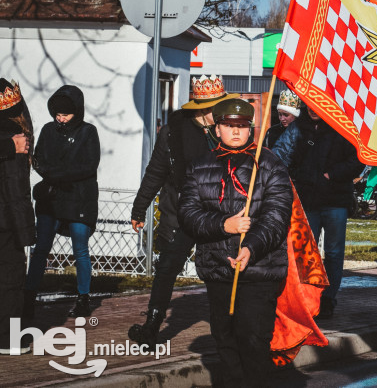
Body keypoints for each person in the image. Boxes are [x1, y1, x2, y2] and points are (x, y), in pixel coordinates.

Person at [179, 98, 292, 387]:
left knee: (252, 340)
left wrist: (251, 246)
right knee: (225, 339)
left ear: (251, 129)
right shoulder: (199, 166)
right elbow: (188, 214)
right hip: (218, 270)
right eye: (229, 126)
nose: (236, 131)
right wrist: (223, 225)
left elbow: (277, 216)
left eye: (242, 126)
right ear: (217, 128)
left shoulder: (269, 164)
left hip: (259, 270)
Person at [128, 75, 239, 348]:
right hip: (182, 214)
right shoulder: (173, 133)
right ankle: (152, 327)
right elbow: (155, 173)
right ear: (203, 109)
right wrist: (139, 208)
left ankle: (229, 329)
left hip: (217, 216)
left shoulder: (224, 131)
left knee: (222, 269)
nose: (222, 113)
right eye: (217, 107)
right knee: (166, 269)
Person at [273, 105, 363, 319]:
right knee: (306, 253)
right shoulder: (297, 129)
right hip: (308, 200)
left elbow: (357, 160)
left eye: (317, 105)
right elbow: (279, 156)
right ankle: (307, 297)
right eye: (309, 105)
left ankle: (329, 298)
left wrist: (331, 174)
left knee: (333, 253)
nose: (314, 110)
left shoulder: (341, 127)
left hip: (335, 200)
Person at [24, 85, 101, 319]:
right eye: (57, 114)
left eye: (65, 114)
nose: (61, 119)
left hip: (79, 198)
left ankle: (83, 298)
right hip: (53, 197)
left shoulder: (88, 132)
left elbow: (89, 165)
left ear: (77, 111)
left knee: (80, 249)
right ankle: (28, 295)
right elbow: (38, 160)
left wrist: (55, 173)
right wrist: (58, 174)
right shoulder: (48, 130)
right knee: (41, 249)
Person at [0, 79, 34, 354]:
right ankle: (9, 339)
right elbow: (17, 190)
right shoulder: (16, 138)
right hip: (7, 220)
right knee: (11, 280)